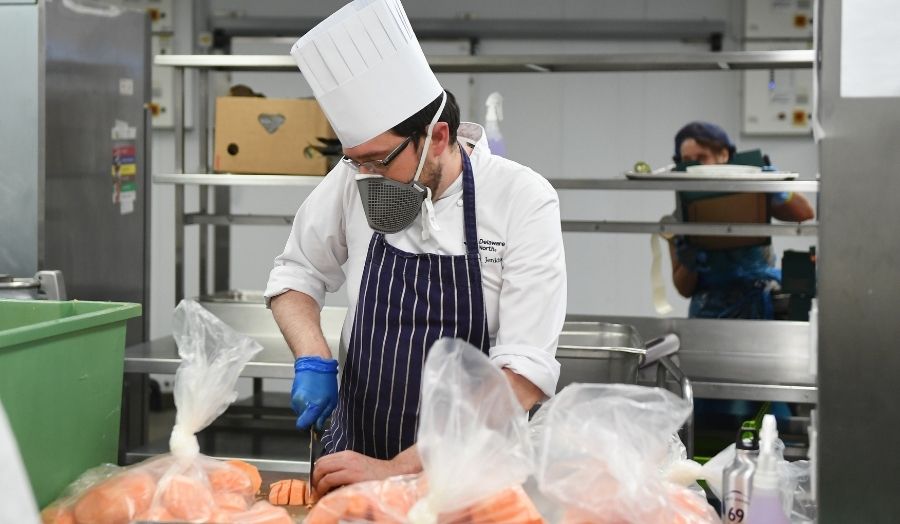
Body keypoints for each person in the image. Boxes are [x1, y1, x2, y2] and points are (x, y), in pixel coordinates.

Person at [264, 0, 566, 497]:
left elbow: (522, 376)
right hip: (355, 451)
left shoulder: (522, 198)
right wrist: (313, 357)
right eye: (354, 162)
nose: (366, 179)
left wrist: (400, 470)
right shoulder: (354, 176)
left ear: (438, 137)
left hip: (467, 478)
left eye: (379, 161)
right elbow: (296, 275)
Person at [668, 121, 815, 319]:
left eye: (702, 158)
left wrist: (778, 190)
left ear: (723, 156)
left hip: (761, 304)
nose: (694, 166)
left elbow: (804, 213)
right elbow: (684, 289)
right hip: (709, 312)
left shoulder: (752, 198)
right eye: (687, 160)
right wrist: (689, 264)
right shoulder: (679, 219)